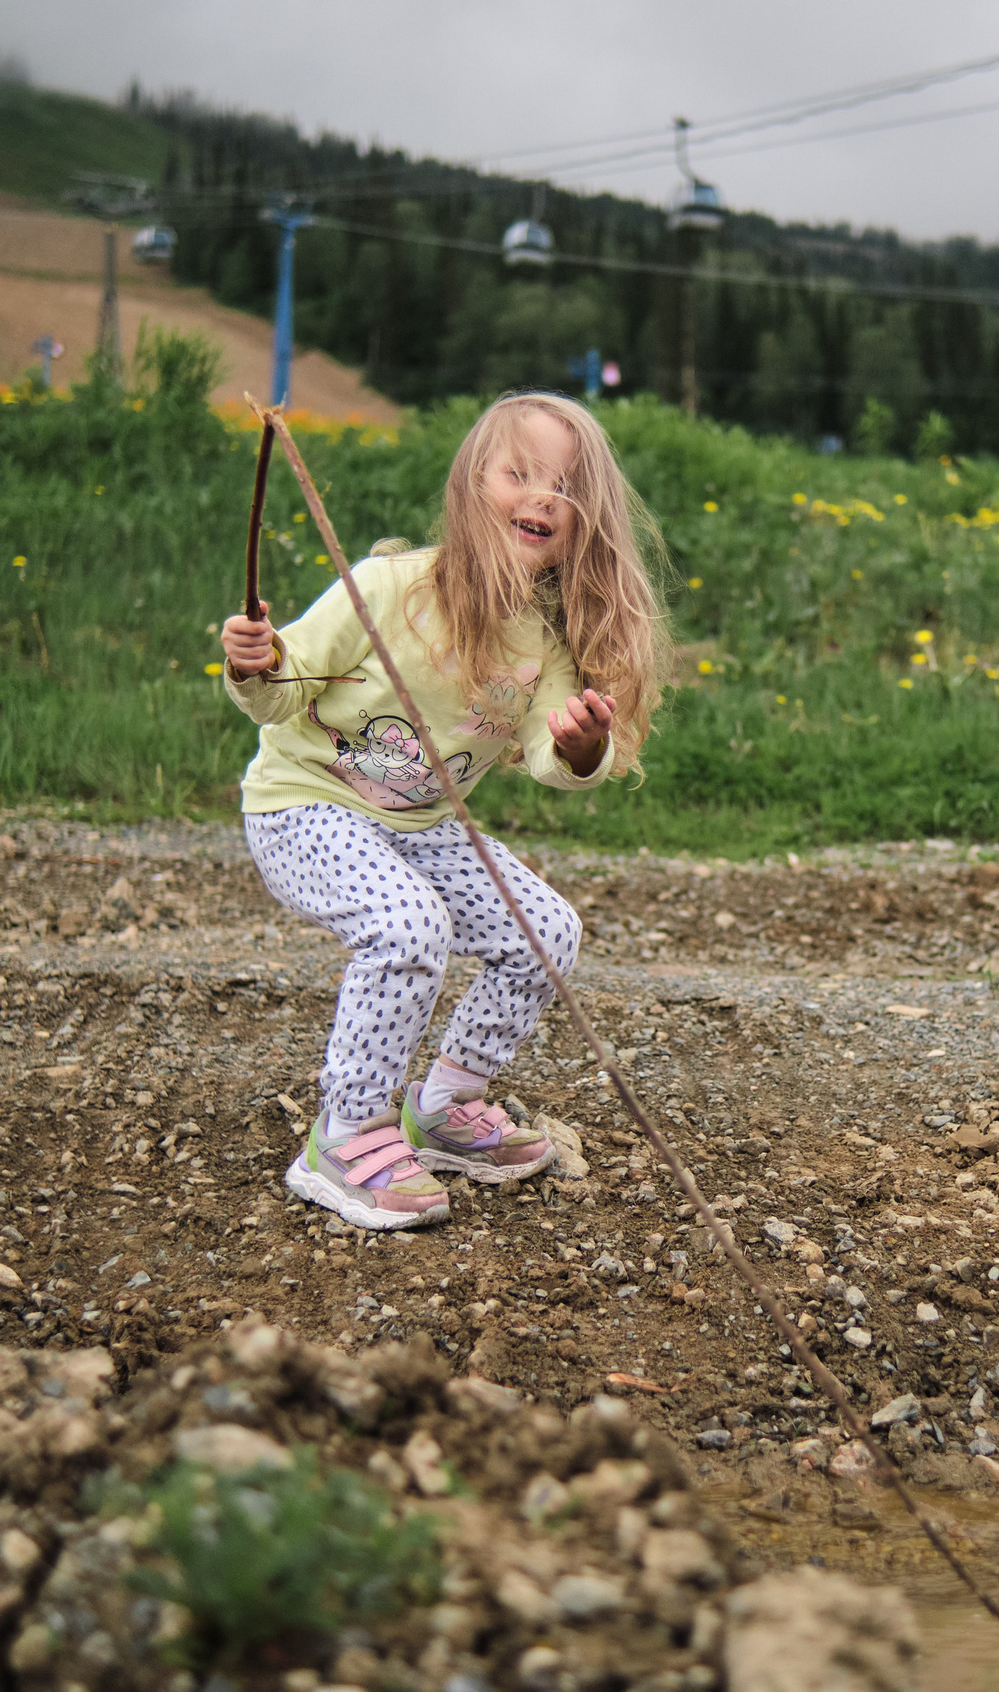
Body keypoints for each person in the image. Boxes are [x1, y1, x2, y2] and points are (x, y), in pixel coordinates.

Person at [218, 392, 669, 1230]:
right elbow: (281, 695)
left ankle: (445, 1107)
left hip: (421, 825)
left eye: (565, 486)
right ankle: (345, 1134)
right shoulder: (390, 587)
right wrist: (257, 660)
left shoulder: (546, 645)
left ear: (582, 521)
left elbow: (548, 755)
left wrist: (578, 744)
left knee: (547, 931)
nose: (542, 496)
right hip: (304, 806)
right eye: (520, 473)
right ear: (471, 485)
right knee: (407, 924)